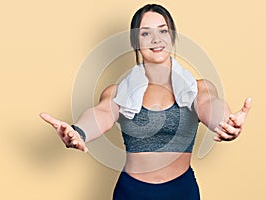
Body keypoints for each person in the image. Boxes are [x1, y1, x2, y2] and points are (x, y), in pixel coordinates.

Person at [40, 4, 251, 200]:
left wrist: (226, 122)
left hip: (182, 191)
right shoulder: (119, 93)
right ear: (135, 41)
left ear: (172, 37)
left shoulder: (197, 89)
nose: (156, 39)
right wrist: (78, 132)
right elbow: (103, 113)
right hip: (132, 192)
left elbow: (210, 105)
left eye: (163, 31)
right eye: (145, 33)